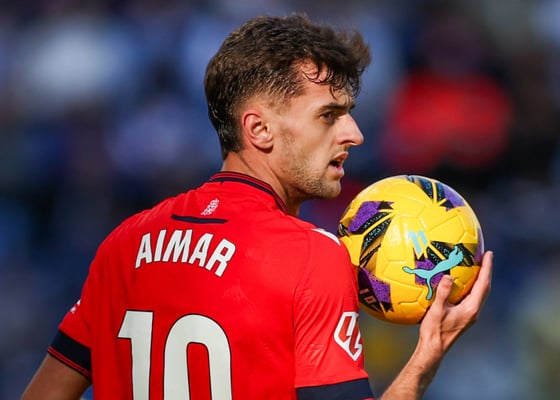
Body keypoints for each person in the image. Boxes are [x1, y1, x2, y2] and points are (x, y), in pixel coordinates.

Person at [21, 14, 492, 400]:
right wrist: (426, 358)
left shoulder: (126, 243)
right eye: (328, 116)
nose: (354, 134)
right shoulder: (312, 257)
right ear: (259, 130)